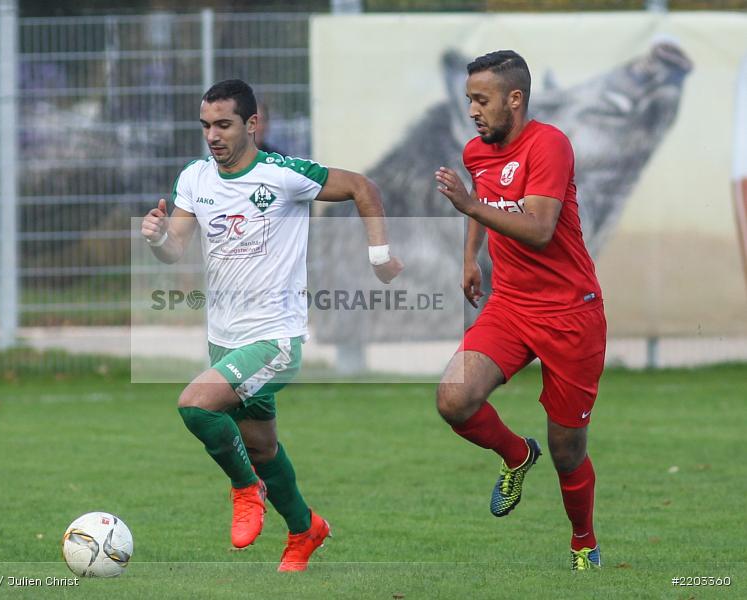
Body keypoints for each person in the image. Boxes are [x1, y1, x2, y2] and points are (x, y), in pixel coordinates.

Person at [141, 79, 403, 572]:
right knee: (262, 448)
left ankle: (245, 491)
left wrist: (380, 256)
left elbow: (363, 188)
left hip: (274, 338)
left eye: (224, 125)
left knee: (195, 406)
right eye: (205, 126)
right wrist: (156, 238)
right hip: (223, 338)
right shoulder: (195, 178)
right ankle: (305, 530)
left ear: (252, 124)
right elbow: (174, 246)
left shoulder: (284, 175)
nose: (213, 136)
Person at [434, 50, 606, 571]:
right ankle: (515, 455)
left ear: (515, 99)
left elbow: (539, 229)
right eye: (469, 100)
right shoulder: (477, 151)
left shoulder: (549, 145)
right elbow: (484, 200)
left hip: (570, 315)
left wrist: (468, 206)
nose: (472, 111)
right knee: (453, 398)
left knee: (568, 450)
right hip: (509, 306)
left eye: (481, 100)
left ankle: (583, 542)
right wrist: (470, 258)